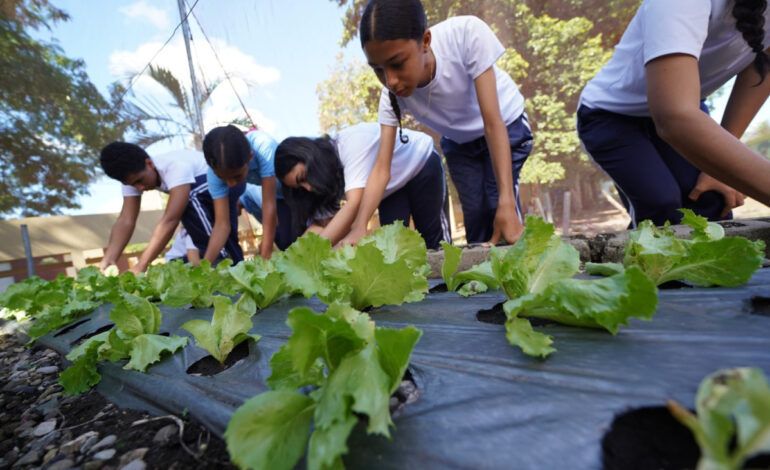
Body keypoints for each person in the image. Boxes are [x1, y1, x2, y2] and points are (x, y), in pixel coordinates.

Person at [340, 0, 533, 247]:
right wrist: (359, 227)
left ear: (425, 41)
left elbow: (492, 123)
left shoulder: (465, 34)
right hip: (460, 144)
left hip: (505, 127)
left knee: (499, 208)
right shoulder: (391, 98)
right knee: (475, 218)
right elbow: (381, 170)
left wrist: (506, 202)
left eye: (397, 63)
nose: (390, 80)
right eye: (378, 70)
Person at [577, 0, 770, 227]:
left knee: (713, 201)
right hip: (610, 115)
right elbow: (675, 119)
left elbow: (761, 70)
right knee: (661, 207)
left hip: (689, 107)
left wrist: (720, 171)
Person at [274, 122, 451, 249]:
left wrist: (314, 255)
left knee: (434, 240)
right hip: (390, 187)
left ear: (309, 156)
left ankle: (449, 292)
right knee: (393, 247)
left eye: (303, 178)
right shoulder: (324, 181)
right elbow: (320, 226)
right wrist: (294, 257)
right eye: (300, 188)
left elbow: (354, 204)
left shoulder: (350, 144)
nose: (308, 188)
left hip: (421, 162)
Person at [99, 142, 243, 273]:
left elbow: (170, 220)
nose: (140, 188)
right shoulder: (133, 180)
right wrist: (109, 258)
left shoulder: (174, 166)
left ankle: (223, 264)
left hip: (225, 181)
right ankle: (236, 268)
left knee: (189, 200)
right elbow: (126, 220)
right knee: (203, 218)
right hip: (206, 193)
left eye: (140, 181)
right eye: (133, 185)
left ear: (149, 163)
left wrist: (142, 264)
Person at [202, 125, 295, 259]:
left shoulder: (263, 147)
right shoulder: (214, 174)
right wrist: (206, 265)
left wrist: (264, 256)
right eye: (224, 179)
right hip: (280, 198)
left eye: (237, 176)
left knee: (306, 235)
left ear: (250, 157)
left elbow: (268, 204)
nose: (231, 184)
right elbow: (222, 224)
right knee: (285, 240)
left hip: (299, 189)